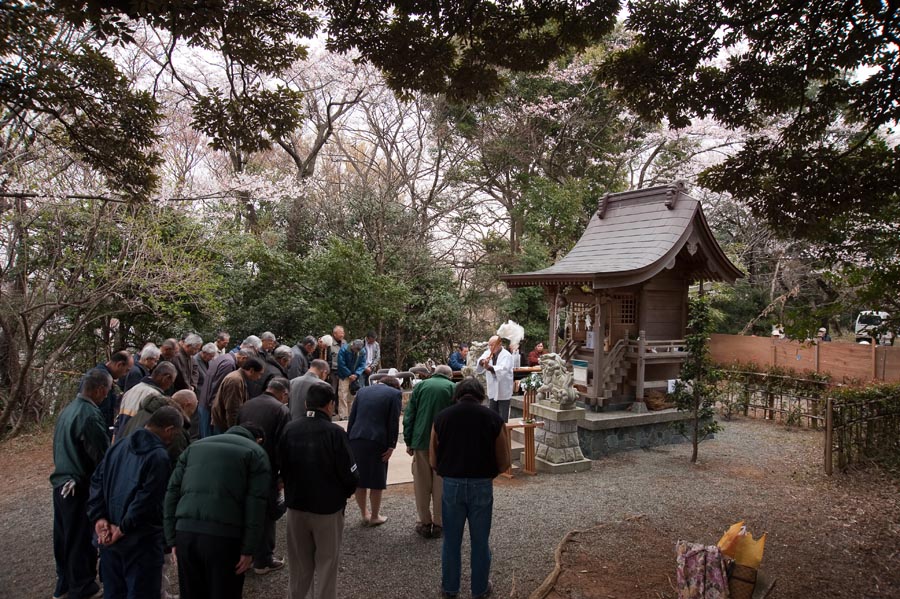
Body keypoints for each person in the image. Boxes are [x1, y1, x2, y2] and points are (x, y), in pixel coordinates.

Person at [164, 423, 270, 599]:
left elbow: (171, 493)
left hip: (186, 532)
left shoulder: (195, 446)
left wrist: (171, 538)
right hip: (225, 537)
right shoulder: (255, 453)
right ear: (258, 440)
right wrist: (249, 549)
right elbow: (256, 506)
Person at [87, 407, 182, 599]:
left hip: (110, 538)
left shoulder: (119, 445)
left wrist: (99, 518)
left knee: (114, 592)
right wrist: (122, 529)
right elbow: (147, 500)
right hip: (141, 542)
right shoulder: (159, 457)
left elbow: (97, 481)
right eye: (177, 433)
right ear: (169, 429)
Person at [430, 377, 511, 599]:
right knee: (480, 539)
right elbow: (504, 460)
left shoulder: (442, 418)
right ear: (480, 395)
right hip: (481, 484)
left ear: (457, 395)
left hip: (452, 484)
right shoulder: (493, 418)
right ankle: (480, 588)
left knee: (451, 540)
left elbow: (433, 458)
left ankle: (450, 588)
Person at [278, 384, 358, 599]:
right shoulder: (335, 432)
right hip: (328, 508)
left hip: (296, 505)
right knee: (327, 563)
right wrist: (345, 495)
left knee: (299, 566)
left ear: (306, 404)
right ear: (330, 405)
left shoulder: (290, 428)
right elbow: (350, 474)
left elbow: (281, 468)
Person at [51, 368, 112, 599]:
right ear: (98, 389)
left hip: (61, 482)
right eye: (106, 391)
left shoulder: (68, 410)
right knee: (79, 538)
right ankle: (81, 586)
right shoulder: (88, 414)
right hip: (77, 484)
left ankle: (64, 583)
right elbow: (100, 453)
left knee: (64, 536)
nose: (106, 396)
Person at [238, 378, 291, 575]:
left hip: (243, 464)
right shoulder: (281, 410)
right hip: (266, 467)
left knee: (246, 510)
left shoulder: (247, 404)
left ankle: (247, 555)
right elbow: (283, 445)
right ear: (283, 393)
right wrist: (282, 475)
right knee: (266, 513)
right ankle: (264, 559)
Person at [403, 364, 455, 538]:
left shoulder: (421, 386)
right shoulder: (452, 387)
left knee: (421, 484)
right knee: (440, 484)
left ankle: (424, 522)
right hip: (445, 444)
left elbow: (409, 415)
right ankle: (440, 523)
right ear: (449, 376)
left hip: (421, 441)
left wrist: (409, 441)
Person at [347, 376, 401, 526]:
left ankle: (364, 513)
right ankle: (375, 516)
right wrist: (392, 445)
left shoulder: (362, 391)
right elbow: (393, 422)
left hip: (356, 437)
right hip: (378, 439)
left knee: (360, 479)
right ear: (395, 386)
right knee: (377, 479)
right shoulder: (394, 394)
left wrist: (349, 438)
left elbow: (353, 417)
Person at [121, 389, 197, 465]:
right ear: (186, 405)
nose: (190, 416)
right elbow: (176, 465)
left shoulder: (139, 415)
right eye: (191, 412)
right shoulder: (175, 431)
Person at [199, 346, 257, 438]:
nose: (247, 368)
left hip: (207, 403)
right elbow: (219, 388)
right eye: (248, 364)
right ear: (243, 358)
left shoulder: (226, 357)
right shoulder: (229, 364)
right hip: (210, 407)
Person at [114, 362, 177, 439]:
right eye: (172, 382)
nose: (170, 386)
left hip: (122, 440)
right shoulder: (155, 397)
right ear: (166, 378)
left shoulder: (133, 389)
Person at [83, 350, 133, 438]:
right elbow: (102, 411)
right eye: (127, 370)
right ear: (119, 365)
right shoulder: (101, 378)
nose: (126, 374)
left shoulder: (96, 373)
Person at [210, 357, 265, 434]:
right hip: (224, 424)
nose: (259, 378)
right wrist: (234, 431)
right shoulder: (235, 380)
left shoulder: (239, 378)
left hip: (224, 423)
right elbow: (232, 409)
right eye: (260, 374)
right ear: (251, 370)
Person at [476, 336, 514, 422]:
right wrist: (483, 362)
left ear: (499, 344)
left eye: (492, 345)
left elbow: (502, 369)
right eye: (489, 345)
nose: (490, 347)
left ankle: (503, 433)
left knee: (502, 417)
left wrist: (488, 367)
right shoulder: (488, 352)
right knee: (492, 416)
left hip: (503, 389)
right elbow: (480, 360)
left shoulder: (506, 355)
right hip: (492, 389)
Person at [337, 339, 366, 420]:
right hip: (344, 375)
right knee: (343, 394)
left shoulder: (362, 351)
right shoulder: (344, 349)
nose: (357, 351)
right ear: (352, 345)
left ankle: (352, 414)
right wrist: (349, 374)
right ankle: (343, 415)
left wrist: (356, 374)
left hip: (355, 376)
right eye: (356, 349)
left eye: (358, 349)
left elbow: (363, 364)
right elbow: (341, 364)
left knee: (352, 395)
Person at [328, 326, 347, 393]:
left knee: (342, 391)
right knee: (332, 391)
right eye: (340, 333)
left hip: (343, 372)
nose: (342, 335)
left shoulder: (344, 342)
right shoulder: (329, 343)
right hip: (333, 372)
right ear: (334, 334)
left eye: (343, 333)